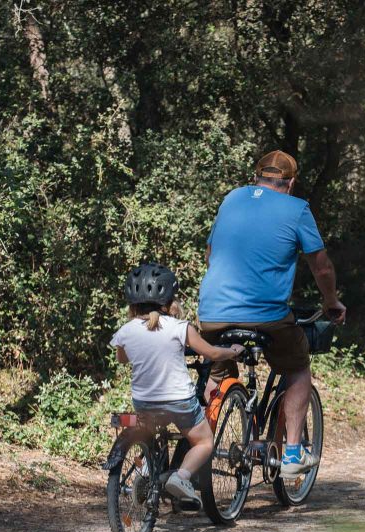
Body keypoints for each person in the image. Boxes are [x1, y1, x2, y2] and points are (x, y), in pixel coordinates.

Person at [197, 150, 346, 478]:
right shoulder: (297, 209)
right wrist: (331, 301)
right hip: (267, 317)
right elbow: (320, 266)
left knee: (215, 376)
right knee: (296, 369)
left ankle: (195, 456)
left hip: (211, 313)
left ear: (255, 177)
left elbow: (210, 254)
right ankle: (292, 453)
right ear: (291, 183)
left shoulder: (232, 198)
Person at [111, 263, 243, 507]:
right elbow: (212, 353)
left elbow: (122, 358)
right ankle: (180, 477)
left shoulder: (126, 331)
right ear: (168, 300)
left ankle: (147, 474)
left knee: (151, 434)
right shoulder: (181, 328)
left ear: (132, 304)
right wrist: (232, 351)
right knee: (204, 442)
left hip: (144, 403)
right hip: (178, 401)